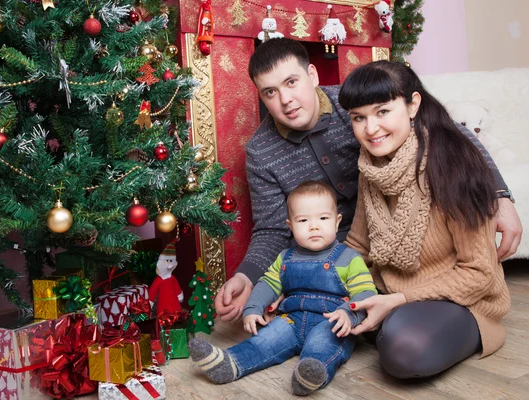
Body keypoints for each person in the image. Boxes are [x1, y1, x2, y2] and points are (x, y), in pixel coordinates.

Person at [214, 37, 522, 323]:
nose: (286, 100)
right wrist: (246, 275)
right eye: (270, 92)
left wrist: (500, 195)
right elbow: (271, 227)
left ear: (312, 74)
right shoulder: (261, 150)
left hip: (407, 233)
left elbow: (447, 131)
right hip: (339, 254)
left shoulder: (355, 106)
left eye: (292, 82)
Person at [337, 60, 510, 378]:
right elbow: (358, 244)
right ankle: (385, 319)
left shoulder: (454, 164)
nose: (370, 129)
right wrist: (312, 278)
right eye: (358, 118)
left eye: (383, 112)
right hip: (387, 289)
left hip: (461, 298)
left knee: (404, 350)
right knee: (308, 305)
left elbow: (479, 273)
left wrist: (397, 300)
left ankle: (392, 322)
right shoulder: (372, 166)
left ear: (412, 104)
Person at [189, 181, 377, 395]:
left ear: (337, 222)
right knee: (266, 339)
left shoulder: (348, 257)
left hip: (331, 321)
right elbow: (267, 284)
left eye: (323, 218)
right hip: (291, 319)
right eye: (303, 220)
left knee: (322, 347)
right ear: (290, 226)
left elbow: (366, 294)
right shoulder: (285, 257)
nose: (314, 226)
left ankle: (309, 375)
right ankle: (230, 363)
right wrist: (252, 309)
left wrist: (348, 313)